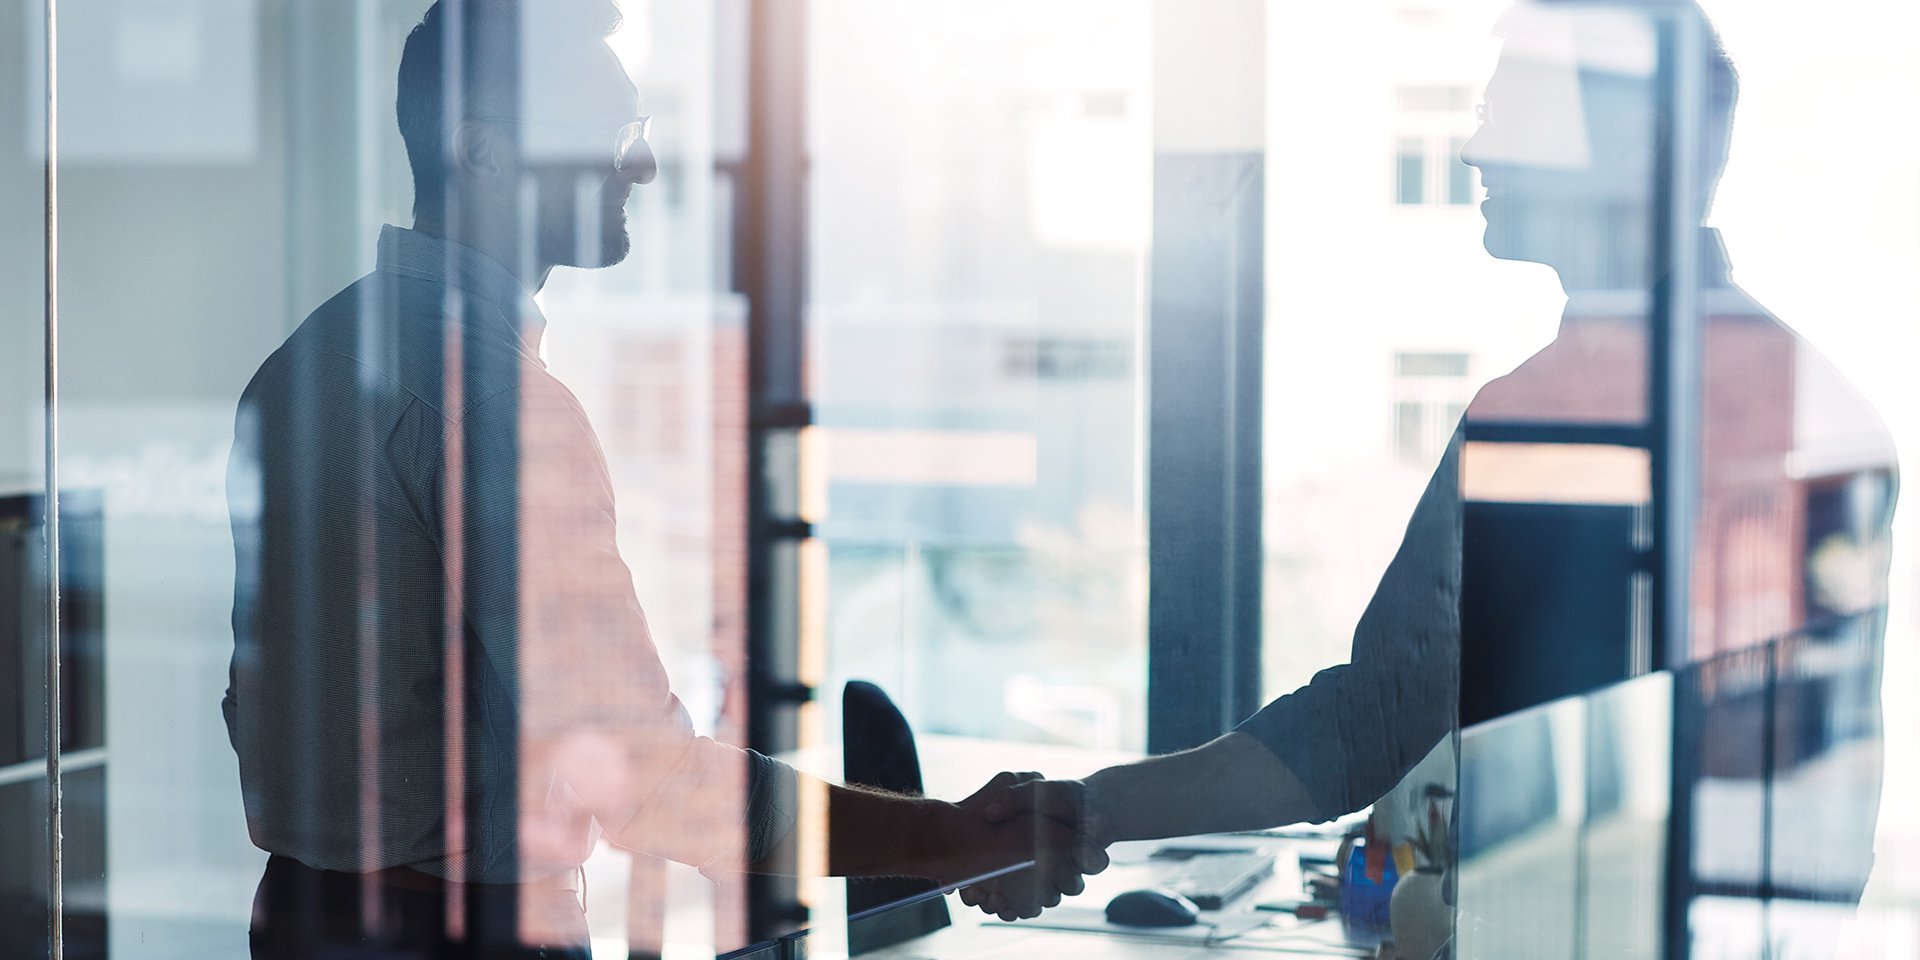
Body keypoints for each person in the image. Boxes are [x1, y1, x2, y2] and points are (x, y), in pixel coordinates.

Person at [964, 1, 1896, 942]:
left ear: (1627, 148)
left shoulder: (1547, 421)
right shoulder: (1820, 406)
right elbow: (1822, 810)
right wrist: (1091, 809)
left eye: (1509, 114)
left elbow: (1366, 724)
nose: (1470, 151)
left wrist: (1089, 811)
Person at [223, 3, 1078, 957]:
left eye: (635, 132)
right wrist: (949, 840)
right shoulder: (494, 403)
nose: (641, 166)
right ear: (484, 152)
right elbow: (643, 777)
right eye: (605, 135)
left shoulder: (303, 364)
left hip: (300, 919)